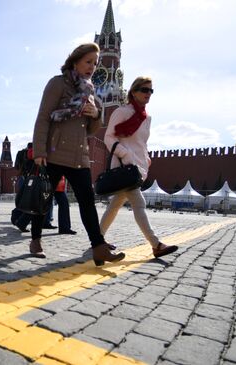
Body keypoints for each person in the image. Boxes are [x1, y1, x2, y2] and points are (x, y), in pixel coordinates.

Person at [31, 42, 124, 266]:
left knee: (87, 202)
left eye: (96, 63)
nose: (92, 67)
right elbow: (43, 117)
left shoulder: (90, 91)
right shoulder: (58, 84)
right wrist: (39, 151)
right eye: (88, 62)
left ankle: (98, 247)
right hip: (54, 153)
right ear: (75, 61)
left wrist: (95, 116)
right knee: (44, 199)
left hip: (79, 156)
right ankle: (35, 239)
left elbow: (91, 131)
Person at [99, 76, 178, 258]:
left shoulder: (147, 118)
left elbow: (142, 142)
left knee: (115, 205)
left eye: (151, 90)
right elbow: (108, 138)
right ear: (133, 92)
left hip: (138, 167)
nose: (148, 94)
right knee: (139, 203)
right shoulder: (122, 112)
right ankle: (156, 244)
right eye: (144, 89)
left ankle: (98, 239)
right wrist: (125, 155)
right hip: (124, 167)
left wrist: (147, 158)